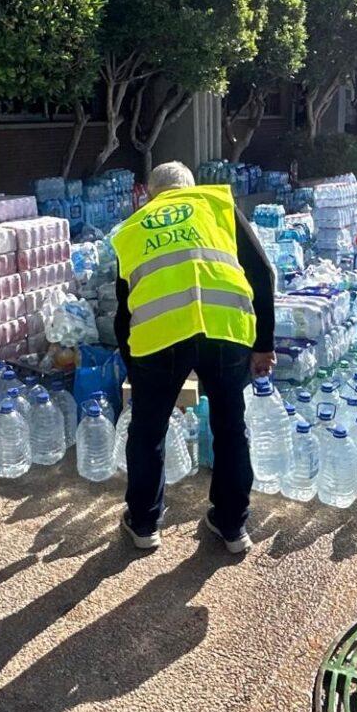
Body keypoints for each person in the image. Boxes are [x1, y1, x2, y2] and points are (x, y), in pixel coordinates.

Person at [112, 161, 276, 555]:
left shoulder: (135, 226)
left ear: (151, 194)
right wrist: (263, 343)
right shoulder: (215, 204)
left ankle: (144, 524)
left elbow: (124, 306)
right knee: (229, 425)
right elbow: (261, 272)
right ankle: (233, 525)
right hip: (223, 327)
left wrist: (134, 364)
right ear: (190, 187)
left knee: (148, 429)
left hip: (161, 333)